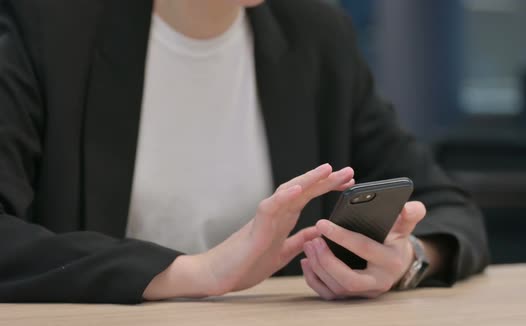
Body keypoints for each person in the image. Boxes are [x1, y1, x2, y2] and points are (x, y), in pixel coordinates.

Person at [0, 0, 489, 303]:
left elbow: (447, 207)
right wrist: (197, 273)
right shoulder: (47, 26)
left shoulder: (317, 37)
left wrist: (410, 261)